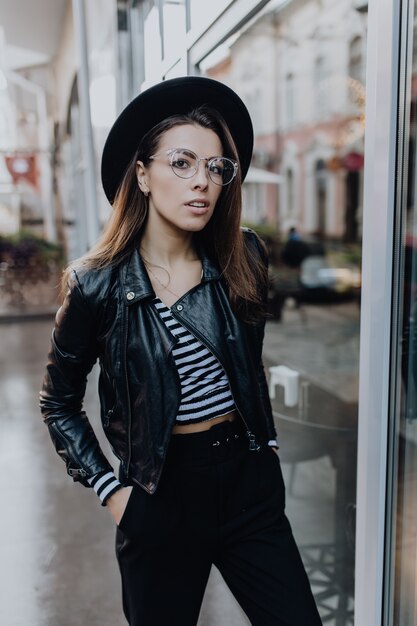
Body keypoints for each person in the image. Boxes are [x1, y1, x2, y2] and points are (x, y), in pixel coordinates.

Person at [40, 76, 322, 626]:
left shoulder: (243, 256)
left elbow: (248, 368)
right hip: (159, 493)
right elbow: (58, 405)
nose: (203, 183)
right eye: (182, 163)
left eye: (216, 168)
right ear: (142, 174)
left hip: (248, 488)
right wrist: (114, 494)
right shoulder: (95, 285)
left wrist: (263, 453)